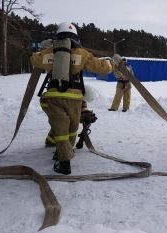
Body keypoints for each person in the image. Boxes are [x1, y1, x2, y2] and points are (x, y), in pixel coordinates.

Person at [30, 22, 119, 174]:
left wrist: (42, 49)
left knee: (60, 127)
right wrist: (114, 63)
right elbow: (102, 68)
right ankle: (63, 152)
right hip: (75, 98)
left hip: (53, 96)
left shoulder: (51, 51)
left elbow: (35, 60)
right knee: (71, 128)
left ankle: (64, 162)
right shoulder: (82, 53)